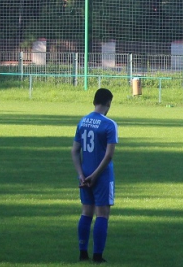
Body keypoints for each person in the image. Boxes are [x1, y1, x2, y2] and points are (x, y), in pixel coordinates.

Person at [72, 88, 118, 263]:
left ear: (94, 102)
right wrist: (96, 175)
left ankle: (83, 252)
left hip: (84, 174)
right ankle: (97, 256)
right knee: (102, 214)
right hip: (102, 176)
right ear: (108, 103)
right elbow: (109, 155)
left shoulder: (83, 122)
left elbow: (75, 150)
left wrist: (82, 175)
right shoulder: (109, 124)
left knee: (86, 212)